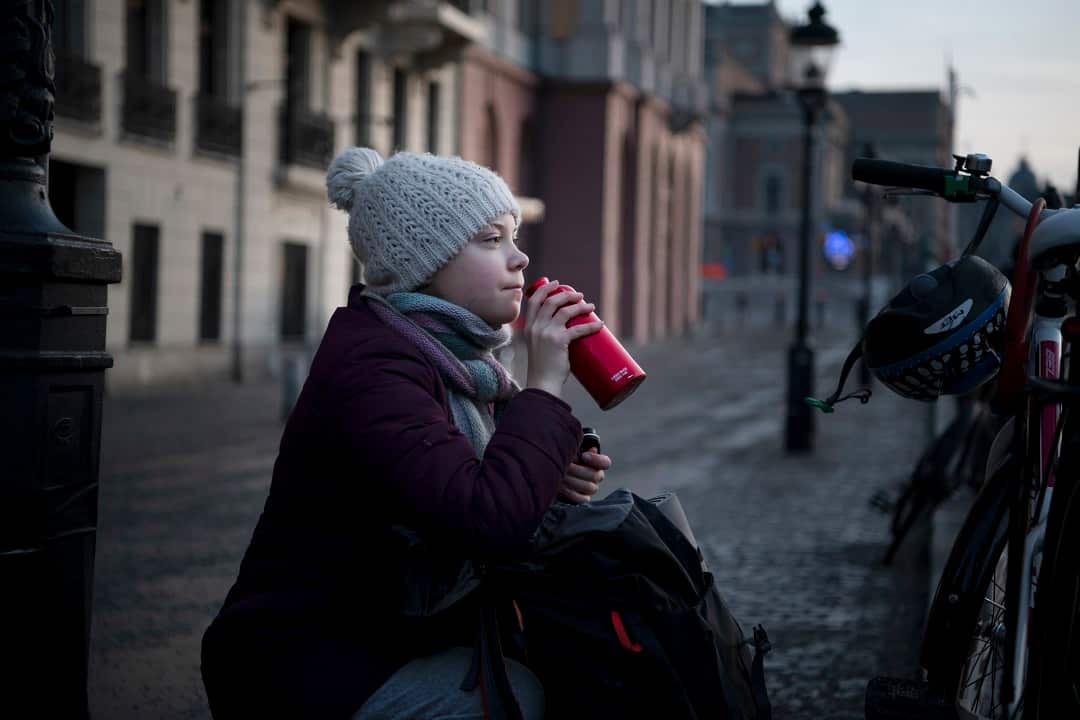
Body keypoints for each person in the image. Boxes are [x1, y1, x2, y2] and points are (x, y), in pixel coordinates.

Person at [201, 147, 614, 719]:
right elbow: (486, 520)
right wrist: (543, 385)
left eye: (513, 237)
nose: (519, 258)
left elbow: (463, 493)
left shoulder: (458, 363)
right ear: (427, 261)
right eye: (491, 240)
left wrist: (548, 475)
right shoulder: (374, 366)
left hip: (391, 634)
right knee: (520, 696)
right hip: (303, 662)